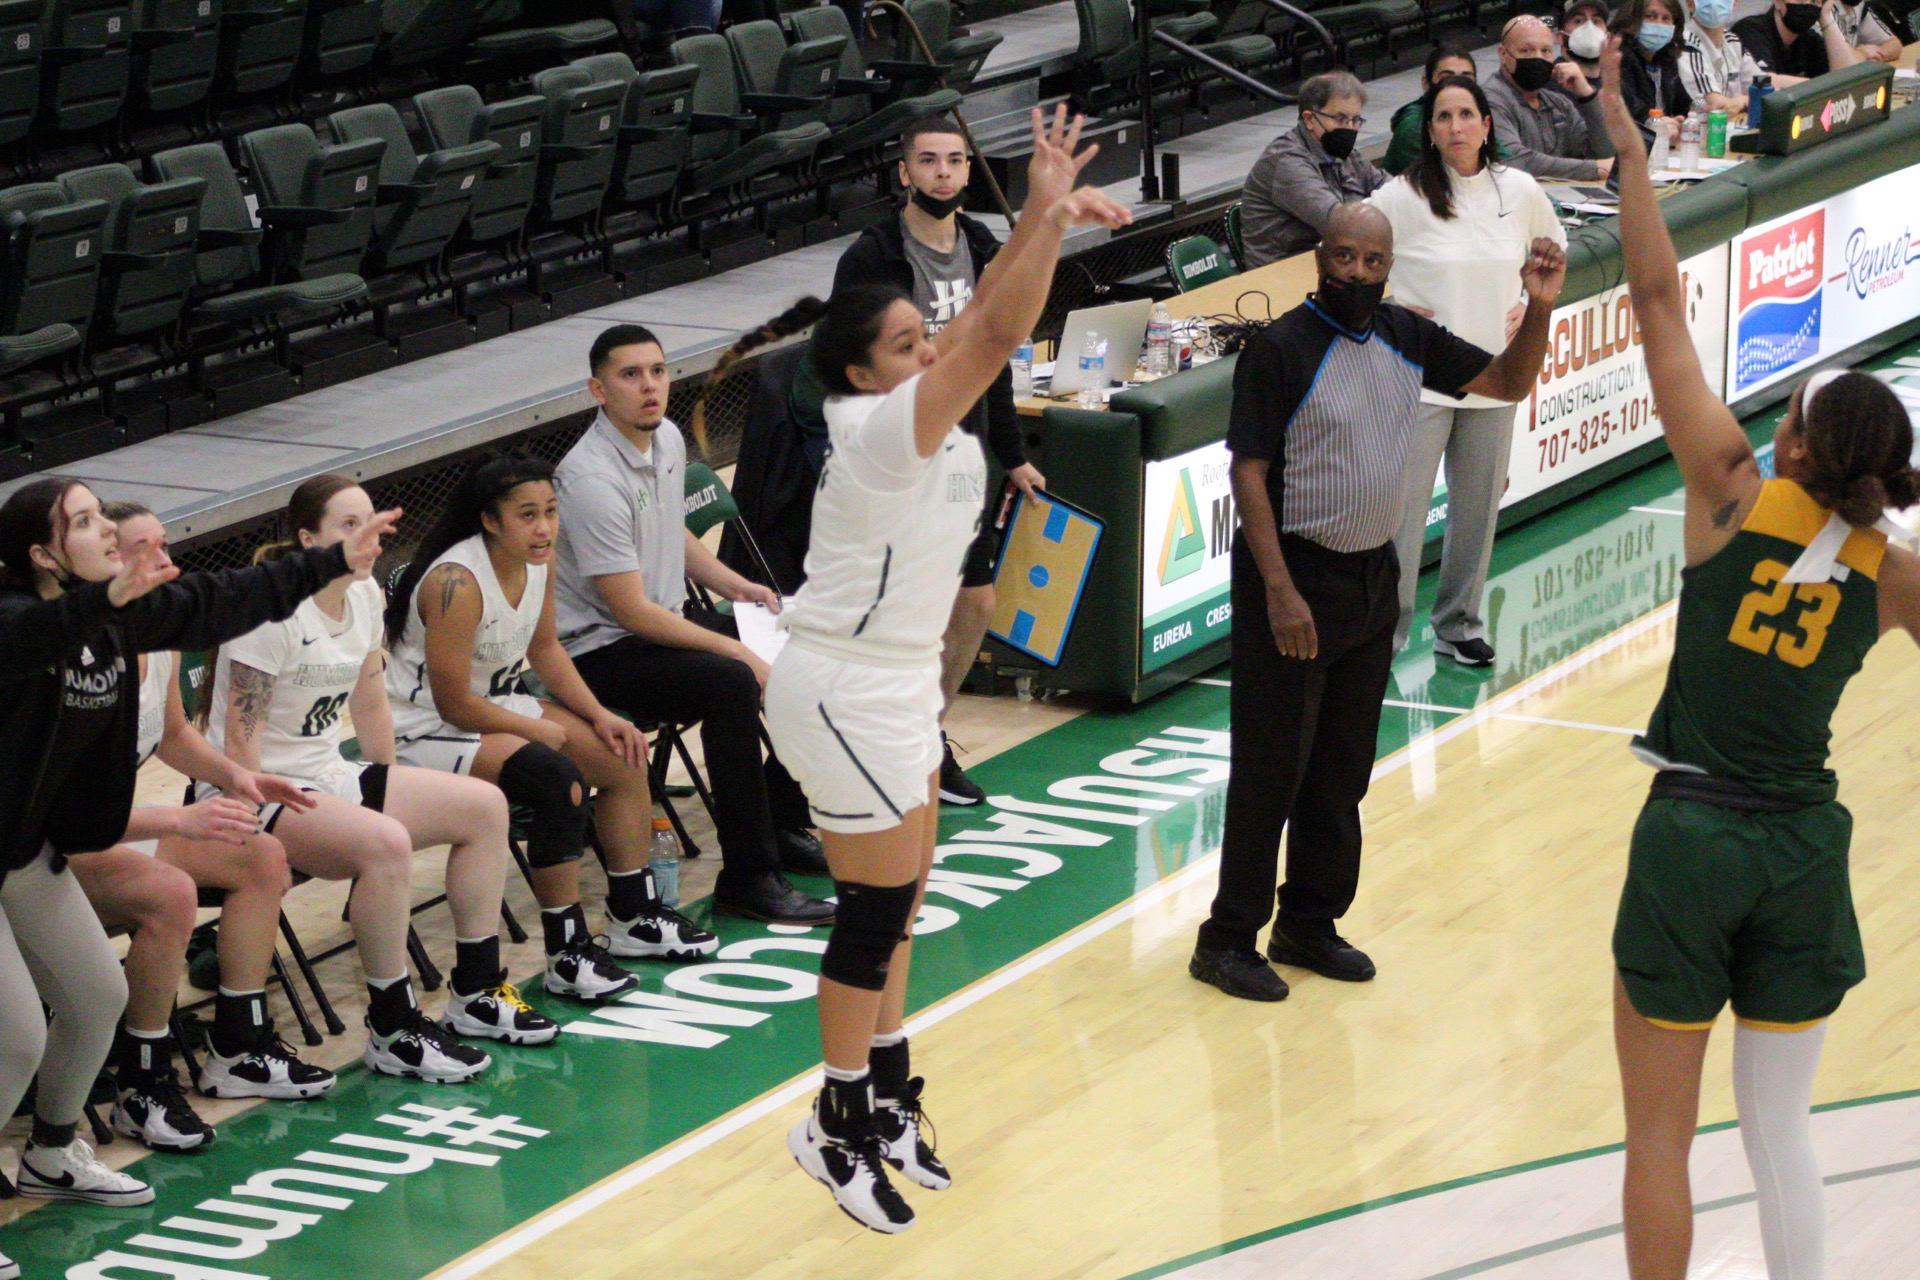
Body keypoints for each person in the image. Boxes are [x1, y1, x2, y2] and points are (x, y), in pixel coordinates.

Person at [703, 108, 1129, 1233]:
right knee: (873, 910)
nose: (927, 350)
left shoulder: (923, 404)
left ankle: (886, 1094)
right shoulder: (880, 430)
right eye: (905, 343)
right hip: (842, 688)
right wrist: (1044, 219)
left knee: (905, 904)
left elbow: (980, 320)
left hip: (895, 683)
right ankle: (834, 1119)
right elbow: (992, 337)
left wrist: (1034, 224)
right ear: (860, 372)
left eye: (920, 337)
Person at [1593, 35, 1920, 1280]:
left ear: (1793, 447)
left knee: (1659, 1139)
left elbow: (1658, 306)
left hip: (1692, 835)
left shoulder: (1729, 490)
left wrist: (1633, 160)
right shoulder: (1891, 573)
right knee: (1781, 1131)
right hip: (1802, 847)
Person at [1188, 202, 1565, 1002]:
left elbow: (1507, 381)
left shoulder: (1405, 336)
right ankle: (1226, 940)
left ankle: (1308, 922)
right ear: (1321, 257)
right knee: (1270, 773)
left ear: (1389, 266)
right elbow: (1248, 471)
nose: (1357, 272)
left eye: (1372, 261)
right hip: (1293, 581)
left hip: (1372, 579)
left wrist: (1538, 306)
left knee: (1341, 771)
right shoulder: (1280, 349)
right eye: (1345, 257)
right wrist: (1279, 591)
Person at [0, 478, 390, 1226]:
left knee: (97, 997)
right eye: (83, 522)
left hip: (26, 849)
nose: (105, 532)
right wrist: (108, 598)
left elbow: (220, 600)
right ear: (44, 555)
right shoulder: (17, 621)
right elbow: (36, 637)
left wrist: (329, 562)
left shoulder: (119, 624)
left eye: (102, 515)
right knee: (16, 1035)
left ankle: (51, 1154)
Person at [205, 475, 550, 1085]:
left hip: (327, 775)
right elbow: (240, 742)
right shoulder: (269, 612)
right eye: (348, 525)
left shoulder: (364, 594)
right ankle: (393, 1028)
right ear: (307, 539)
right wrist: (257, 828)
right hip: (253, 790)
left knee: (484, 807)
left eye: (372, 521)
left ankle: (476, 992)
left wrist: (386, 783)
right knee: (385, 844)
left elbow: (370, 705)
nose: (368, 536)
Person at [385, 454, 719, 993]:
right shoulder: (457, 583)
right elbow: (453, 705)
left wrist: (600, 715)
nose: (544, 528)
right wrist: (534, 729)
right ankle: (567, 953)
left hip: (496, 706)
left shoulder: (539, 561)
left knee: (624, 757)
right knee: (557, 781)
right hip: (424, 728)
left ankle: (633, 916)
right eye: (528, 515)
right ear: (489, 520)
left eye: (550, 512)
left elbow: (544, 650)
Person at [62, 503, 337, 1154]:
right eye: (146, 550)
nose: (167, 562)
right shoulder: (75, 655)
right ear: (108, 562)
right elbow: (65, 812)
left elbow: (174, 735)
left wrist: (240, 777)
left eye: (166, 546)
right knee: (170, 893)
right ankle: (142, 1084)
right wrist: (179, 817)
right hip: (51, 846)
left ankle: (238, 1045)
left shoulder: (156, 633)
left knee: (260, 855)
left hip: (113, 827)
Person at [552, 325, 835, 926]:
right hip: (600, 652)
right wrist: (739, 653)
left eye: (657, 371)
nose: (649, 386)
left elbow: (669, 532)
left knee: (814, 652)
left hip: (662, 626)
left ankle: (781, 821)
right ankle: (749, 878)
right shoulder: (590, 480)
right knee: (731, 681)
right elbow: (630, 612)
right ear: (599, 391)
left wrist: (736, 587)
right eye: (631, 375)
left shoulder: (667, 439)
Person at [829, 116, 1048, 807]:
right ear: (904, 173)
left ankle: (927, 733)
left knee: (974, 602)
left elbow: (995, 361)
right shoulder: (871, 258)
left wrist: (1012, 455)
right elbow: (844, 367)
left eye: (954, 160)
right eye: (928, 160)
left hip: (964, 455)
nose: (943, 173)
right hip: (897, 456)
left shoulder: (981, 245)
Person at [1372, 75, 1566, 666]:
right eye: (1443, 117)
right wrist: (1383, 308)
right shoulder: (1398, 196)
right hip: (1419, 380)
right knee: (1401, 519)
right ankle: (1385, 636)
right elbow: (1346, 258)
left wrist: (1529, 303)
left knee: (1478, 511)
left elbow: (1554, 251)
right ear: (1429, 132)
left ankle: (1459, 624)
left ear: (1486, 125)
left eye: (1465, 115)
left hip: (1495, 375)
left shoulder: (1521, 189)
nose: (1455, 127)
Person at [1239, 71, 1389, 267]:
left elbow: (1389, 188)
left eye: (1356, 120)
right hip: (1283, 270)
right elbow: (1338, 223)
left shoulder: (1345, 154)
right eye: (1340, 119)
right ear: (1309, 119)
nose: (1350, 128)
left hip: (1333, 260)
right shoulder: (1287, 161)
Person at [1483, 15, 1618, 183]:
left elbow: (1605, 154)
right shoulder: (1489, 101)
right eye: (1526, 51)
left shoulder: (1558, 103)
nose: (1538, 57)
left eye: (1546, 51)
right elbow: (1516, 161)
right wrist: (1595, 169)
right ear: (1503, 54)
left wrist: (1587, 96)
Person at [1383, 45, 1501, 174]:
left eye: (1466, 79)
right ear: (1426, 83)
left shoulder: (1478, 115)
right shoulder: (1413, 126)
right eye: (1446, 78)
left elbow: (1506, 161)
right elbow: (1456, 174)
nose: (1456, 86)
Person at [1731, 0, 1863, 82]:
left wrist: (1826, 18)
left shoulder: (1810, 39)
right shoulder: (1750, 30)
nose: (1807, 5)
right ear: (1778, 2)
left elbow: (1848, 77)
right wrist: (1821, 86)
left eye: (1814, 1)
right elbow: (1766, 82)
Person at [1613, 0, 1693, 133]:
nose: (1658, 24)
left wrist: (1694, 116)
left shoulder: (1666, 59)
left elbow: (1683, 105)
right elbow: (1630, 110)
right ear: (1633, 19)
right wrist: (1655, 124)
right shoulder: (1620, 57)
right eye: (1650, 16)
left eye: (1666, 18)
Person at [1676, 0, 1759, 113]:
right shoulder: (1686, 42)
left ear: (1734, 3)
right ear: (1690, 4)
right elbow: (1714, 105)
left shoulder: (1732, 40)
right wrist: (1746, 100)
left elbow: (1763, 85)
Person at [1562, 0, 1614, 81]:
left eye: (1596, 21)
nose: (1589, 27)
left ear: (1608, 37)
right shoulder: (1549, 81)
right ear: (1562, 37)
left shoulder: (1617, 81)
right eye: (1578, 21)